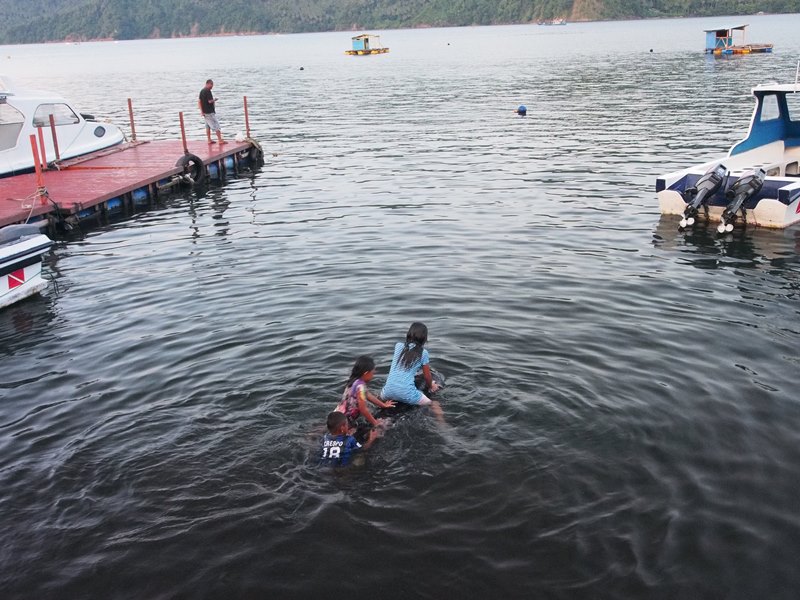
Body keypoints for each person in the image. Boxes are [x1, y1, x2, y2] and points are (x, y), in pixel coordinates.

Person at [381, 322, 444, 421]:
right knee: (433, 403)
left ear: (409, 333)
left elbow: (403, 367)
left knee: (379, 396)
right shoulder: (423, 353)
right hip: (407, 394)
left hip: (387, 392)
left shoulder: (398, 346)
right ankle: (443, 425)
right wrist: (432, 386)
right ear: (424, 338)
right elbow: (427, 377)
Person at [335, 355, 395, 432]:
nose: (373, 375)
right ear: (366, 373)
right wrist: (375, 423)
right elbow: (363, 409)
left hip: (338, 414)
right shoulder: (361, 387)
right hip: (346, 421)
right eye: (372, 373)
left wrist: (383, 405)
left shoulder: (354, 380)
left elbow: (368, 395)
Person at [198, 79, 225, 145]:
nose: (212, 86)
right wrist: (214, 100)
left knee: (207, 126)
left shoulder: (202, 91)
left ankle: (209, 140)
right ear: (208, 84)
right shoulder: (207, 91)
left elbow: (199, 101)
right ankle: (220, 140)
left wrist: (201, 111)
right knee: (216, 125)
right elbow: (209, 101)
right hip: (209, 112)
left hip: (205, 112)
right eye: (211, 84)